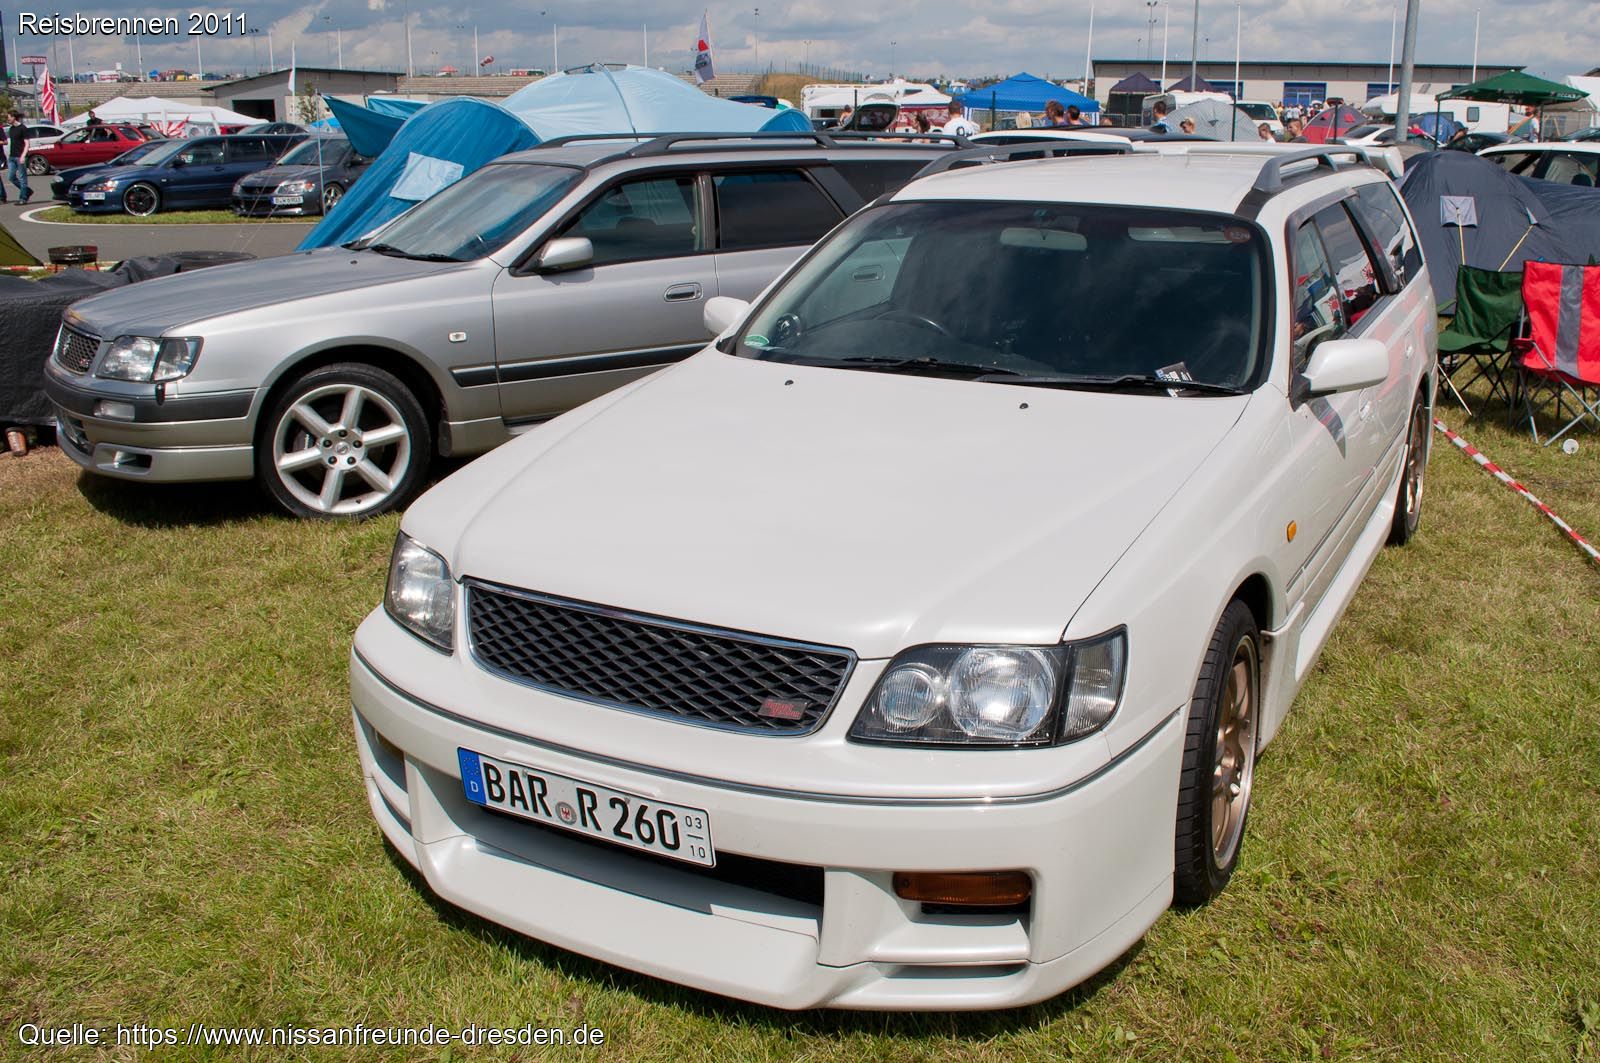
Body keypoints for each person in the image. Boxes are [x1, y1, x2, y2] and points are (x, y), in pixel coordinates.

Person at [6, 115, 30, 204]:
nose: (7, 119)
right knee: (11, 177)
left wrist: (23, 156)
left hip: (20, 156)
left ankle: (23, 198)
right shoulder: (11, 129)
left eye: (9, 117)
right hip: (12, 157)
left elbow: (27, 143)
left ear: (14, 117)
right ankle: (27, 191)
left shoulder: (23, 128)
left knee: (22, 178)